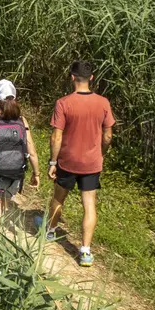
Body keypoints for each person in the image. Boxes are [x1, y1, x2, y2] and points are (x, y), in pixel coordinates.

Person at [46, 60, 116, 267]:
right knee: (89, 205)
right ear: (92, 78)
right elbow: (108, 136)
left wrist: (52, 161)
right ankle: (85, 251)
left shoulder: (63, 103)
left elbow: (56, 137)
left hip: (68, 161)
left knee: (58, 198)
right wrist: (101, 154)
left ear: (72, 77)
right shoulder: (103, 103)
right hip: (92, 163)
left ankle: (50, 231)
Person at [0, 79, 42, 230]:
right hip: (14, 173)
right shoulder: (22, 121)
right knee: (2, 208)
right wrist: (36, 173)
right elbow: (31, 150)